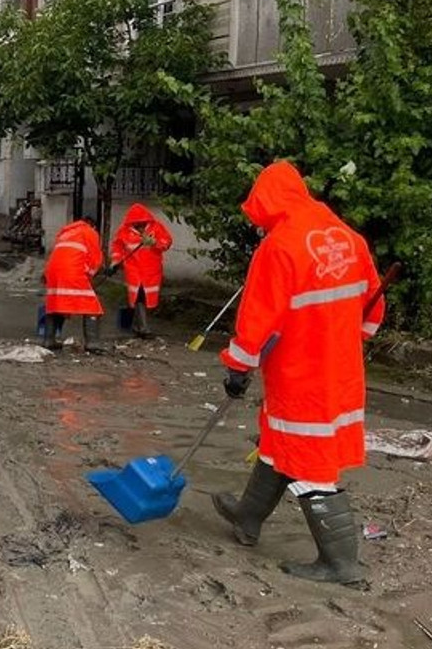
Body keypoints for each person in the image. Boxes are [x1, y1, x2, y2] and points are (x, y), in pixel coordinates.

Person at [211, 160, 385, 585]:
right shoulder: (349, 238)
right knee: (280, 443)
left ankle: (340, 562)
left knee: (310, 462)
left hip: (300, 372)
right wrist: (344, 338)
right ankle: (248, 517)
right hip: (339, 369)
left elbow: (257, 322)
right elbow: (373, 305)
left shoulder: (280, 247)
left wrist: (238, 369)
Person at [108, 203, 173, 338]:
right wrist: (115, 262)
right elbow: (117, 248)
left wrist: (155, 243)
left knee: (143, 298)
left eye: (142, 224)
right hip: (133, 270)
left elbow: (167, 242)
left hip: (151, 271)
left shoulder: (156, 228)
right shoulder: (124, 231)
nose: (141, 227)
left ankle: (136, 326)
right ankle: (143, 328)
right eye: (137, 224)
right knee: (138, 297)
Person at [42, 216, 104, 352]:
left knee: (57, 305)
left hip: (53, 272)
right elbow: (95, 257)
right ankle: (92, 344)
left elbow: (58, 254)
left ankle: (49, 340)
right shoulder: (89, 232)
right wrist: (90, 274)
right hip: (72, 271)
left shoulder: (65, 233)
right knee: (92, 307)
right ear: (92, 225)